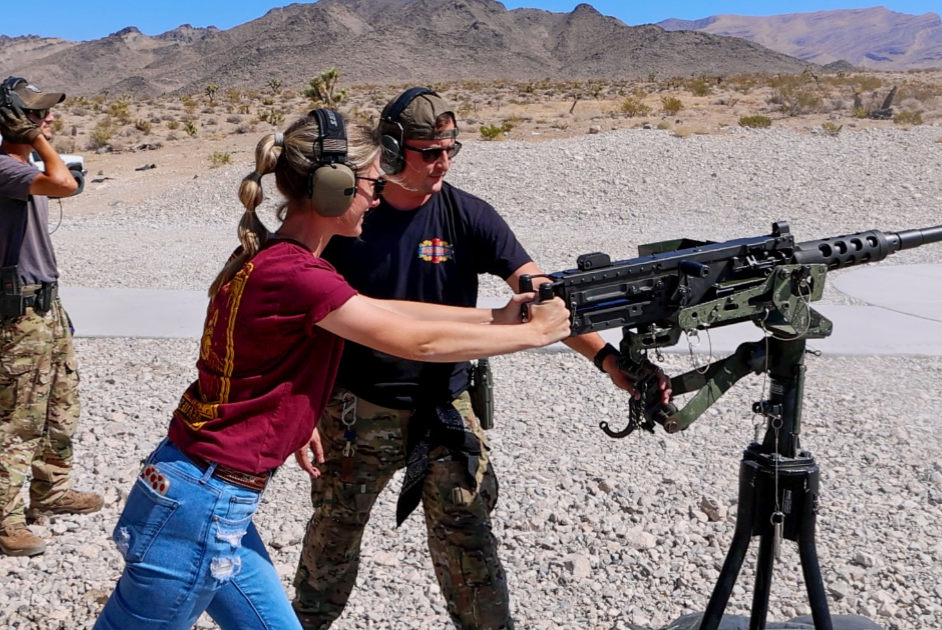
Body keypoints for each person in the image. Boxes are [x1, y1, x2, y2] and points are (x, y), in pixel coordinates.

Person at [90, 109, 571, 630]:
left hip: (206, 497)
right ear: (332, 189)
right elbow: (417, 340)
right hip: (202, 506)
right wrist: (534, 334)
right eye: (369, 182)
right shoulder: (299, 275)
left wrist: (494, 317)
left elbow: (384, 311)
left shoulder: (283, 260)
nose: (377, 194)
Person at [292, 89, 669, 630]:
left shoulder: (469, 215)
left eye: (451, 148)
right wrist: (303, 407)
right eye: (429, 151)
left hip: (446, 407)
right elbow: (309, 317)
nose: (442, 162)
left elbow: (541, 297)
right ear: (394, 150)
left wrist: (610, 362)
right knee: (332, 539)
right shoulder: (349, 220)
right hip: (357, 413)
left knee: (469, 540)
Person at [0, 76, 101, 557]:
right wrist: (35, 137)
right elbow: (66, 184)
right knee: (17, 421)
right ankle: (6, 520)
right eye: (37, 113)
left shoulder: (20, 167)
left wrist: (32, 137)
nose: (49, 120)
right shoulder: (3, 168)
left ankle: (51, 491)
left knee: (61, 410)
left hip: (45, 307)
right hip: (18, 316)